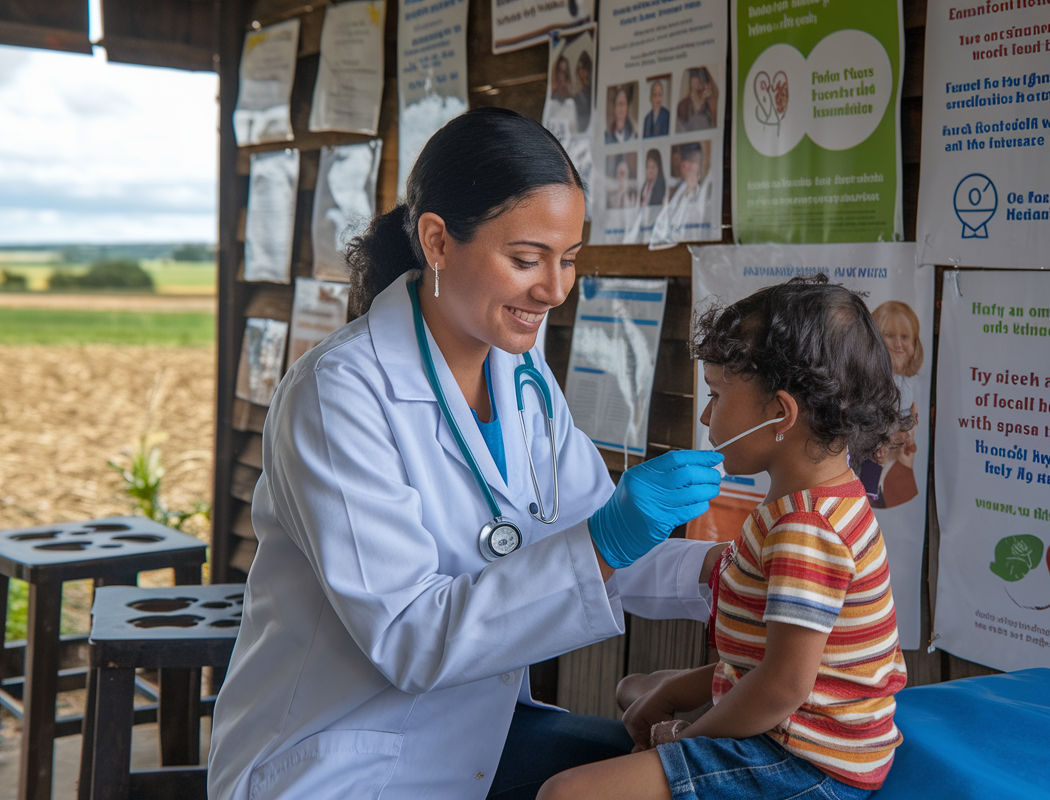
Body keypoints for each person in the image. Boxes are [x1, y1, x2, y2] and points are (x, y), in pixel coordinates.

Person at [207, 108, 726, 800]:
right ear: (438, 242)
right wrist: (606, 539)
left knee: (646, 770)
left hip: (470, 733)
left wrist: (726, 575)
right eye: (526, 258)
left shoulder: (524, 376)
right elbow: (409, 635)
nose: (555, 288)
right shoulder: (339, 396)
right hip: (339, 760)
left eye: (569, 259)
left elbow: (592, 538)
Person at [537, 276, 911, 800]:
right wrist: (673, 695)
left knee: (563, 793)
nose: (707, 415)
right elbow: (766, 663)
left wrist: (684, 740)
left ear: (781, 413)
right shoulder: (815, 503)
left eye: (715, 395)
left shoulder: (806, 529)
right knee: (636, 689)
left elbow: (782, 685)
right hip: (796, 725)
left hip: (805, 762)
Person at [859, 301, 923, 508]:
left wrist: (907, 432)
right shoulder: (870, 380)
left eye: (904, 337)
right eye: (890, 336)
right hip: (874, 446)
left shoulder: (909, 380)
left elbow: (908, 413)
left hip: (896, 450)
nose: (898, 344)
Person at [650, 143, 712, 245]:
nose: (687, 166)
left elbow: (699, 223)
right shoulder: (675, 189)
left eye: (693, 162)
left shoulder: (704, 190)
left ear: (699, 165)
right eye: (685, 161)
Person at [675, 67, 717, 133]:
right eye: (696, 83)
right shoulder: (683, 105)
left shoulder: (709, 104)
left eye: (700, 82)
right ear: (691, 83)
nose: (698, 85)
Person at [573, 52, 593, 132]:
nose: (581, 73)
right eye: (579, 69)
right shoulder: (574, 97)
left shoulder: (592, 96)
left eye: (584, 68)